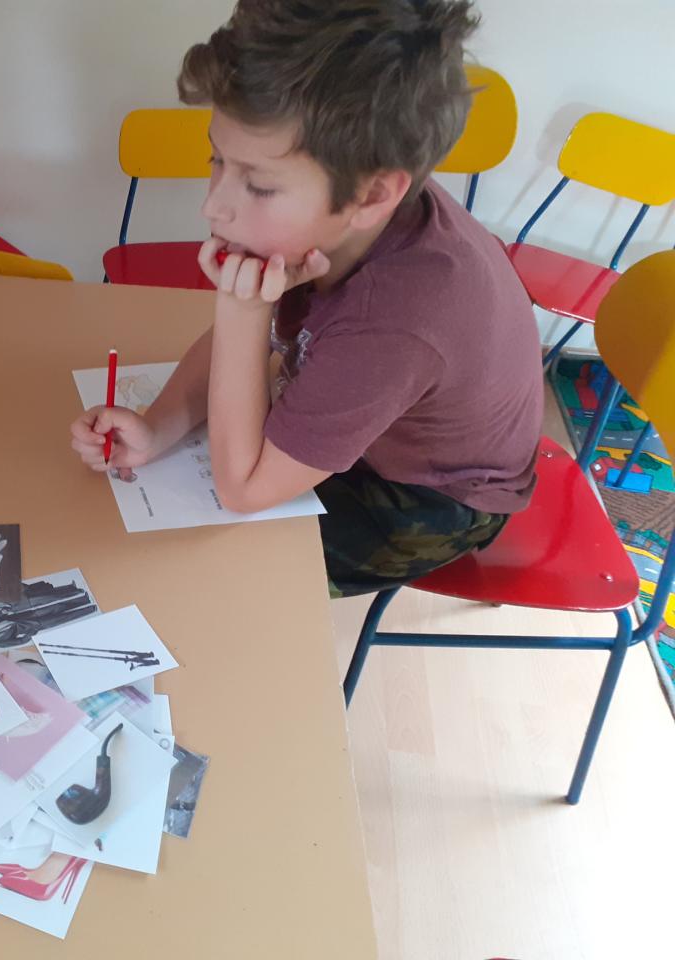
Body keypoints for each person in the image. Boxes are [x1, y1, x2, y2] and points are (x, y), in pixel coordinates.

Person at [70, 0, 542, 597]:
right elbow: (263, 341)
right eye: (218, 159)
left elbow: (241, 490)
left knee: (219, 578)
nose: (213, 206)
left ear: (373, 195)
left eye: (259, 184)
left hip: (432, 497)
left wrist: (241, 311)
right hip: (376, 419)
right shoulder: (349, 214)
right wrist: (158, 427)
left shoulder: (392, 322)